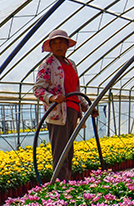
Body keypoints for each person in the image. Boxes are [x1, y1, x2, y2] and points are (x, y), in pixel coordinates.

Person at [32, 29, 97, 181]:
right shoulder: (47, 65)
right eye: (54, 43)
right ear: (50, 47)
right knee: (60, 151)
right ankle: (60, 186)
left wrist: (87, 107)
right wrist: (52, 97)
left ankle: (67, 183)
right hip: (58, 113)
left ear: (67, 45)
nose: (58, 45)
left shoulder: (71, 64)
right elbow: (37, 89)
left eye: (61, 42)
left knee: (69, 151)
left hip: (73, 110)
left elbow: (75, 89)